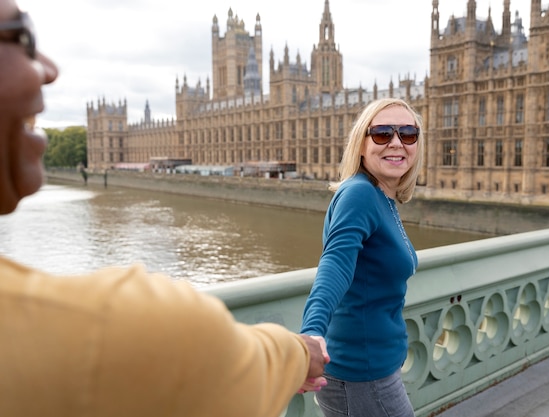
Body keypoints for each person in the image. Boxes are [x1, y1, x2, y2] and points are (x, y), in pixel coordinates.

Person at [0, 1, 328, 416]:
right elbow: (236, 362)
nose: (48, 67)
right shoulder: (126, 322)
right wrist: (299, 351)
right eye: (21, 36)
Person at [300, 98, 425, 416]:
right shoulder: (359, 194)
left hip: (376, 367)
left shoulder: (382, 194)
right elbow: (335, 262)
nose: (396, 142)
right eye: (383, 133)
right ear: (361, 144)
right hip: (361, 375)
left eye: (408, 134)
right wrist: (312, 332)